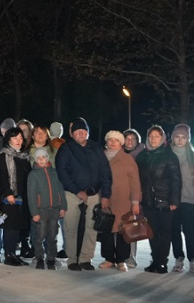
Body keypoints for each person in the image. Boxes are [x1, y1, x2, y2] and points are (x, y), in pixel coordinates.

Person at [55, 117, 111, 271]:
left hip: (93, 193)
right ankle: (72, 259)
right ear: (72, 134)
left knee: (92, 226)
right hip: (72, 193)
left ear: (87, 133)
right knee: (70, 226)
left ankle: (86, 259)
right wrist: (76, 190)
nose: (81, 134)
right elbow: (62, 173)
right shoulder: (66, 149)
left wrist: (105, 194)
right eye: (77, 131)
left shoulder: (96, 148)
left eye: (84, 131)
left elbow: (105, 172)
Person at [136, 125, 181, 274]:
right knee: (152, 233)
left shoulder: (170, 156)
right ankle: (155, 260)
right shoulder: (142, 156)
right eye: (151, 136)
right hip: (148, 201)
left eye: (156, 136)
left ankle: (162, 262)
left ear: (162, 139)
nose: (153, 139)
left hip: (165, 200)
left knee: (165, 233)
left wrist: (174, 201)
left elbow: (176, 180)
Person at [169, 124, 194, 274]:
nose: (180, 140)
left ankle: (193, 260)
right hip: (172, 200)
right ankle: (179, 258)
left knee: (189, 231)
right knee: (174, 231)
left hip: (189, 199)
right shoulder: (168, 154)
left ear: (188, 139)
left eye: (183, 137)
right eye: (177, 137)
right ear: (173, 138)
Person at [100, 130, 140, 272]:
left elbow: (135, 182)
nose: (113, 142)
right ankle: (108, 258)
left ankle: (121, 260)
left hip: (124, 200)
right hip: (106, 199)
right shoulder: (101, 157)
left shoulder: (127, 159)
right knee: (107, 229)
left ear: (121, 143)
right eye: (110, 140)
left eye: (116, 140)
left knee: (123, 230)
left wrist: (135, 202)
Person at [0, 127, 31, 266]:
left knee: (18, 226)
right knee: (10, 226)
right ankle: (9, 254)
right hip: (10, 196)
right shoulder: (4, 155)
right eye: (15, 138)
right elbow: (3, 176)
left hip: (24, 195)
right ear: (8, 139)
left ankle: (14, 254)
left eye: (21, 138)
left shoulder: (24, 155)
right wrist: (9, 193)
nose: (18, 141)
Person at [27, 147, 66, 269]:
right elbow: (31, 194)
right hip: (41, 210)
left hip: (54, 209)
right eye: (38, 158)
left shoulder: (54, 172)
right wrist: (34, 212)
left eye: (43, 157)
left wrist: (63, 206)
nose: (41, 160)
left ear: (47, 158)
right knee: (39, 235)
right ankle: (39, 258)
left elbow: (60, 189)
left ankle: (51, 258)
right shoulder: (33, 174)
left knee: (52, 235)